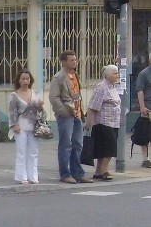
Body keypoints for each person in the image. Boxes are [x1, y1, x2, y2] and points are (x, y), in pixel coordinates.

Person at [49, 50, 93, 184]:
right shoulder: (59, 77)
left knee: (77, 144)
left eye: (75, 60)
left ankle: (77, 173)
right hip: (66, 115)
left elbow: (77, 94)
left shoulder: (75, 75)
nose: (74, 62)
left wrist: (81, 111)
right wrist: (63, 111)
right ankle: (65, 173)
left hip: (77, 113)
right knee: (66, 144)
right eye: (71, 60)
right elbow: (54, 97)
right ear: (63, 62)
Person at [84, 65, 121, 181]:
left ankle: (98, 171)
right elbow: (92, 106)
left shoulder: (113, 87)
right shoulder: (101, 87)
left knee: (104, 148)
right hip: (103, 122)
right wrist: (88, 122)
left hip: (114, 122)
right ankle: (105, 170)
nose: (117, 75)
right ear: (107, 75)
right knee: (108, 148)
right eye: (115, 73)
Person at [8, 69, 44, 184]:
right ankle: (21, 176)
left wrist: (39, 106)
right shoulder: (14, 95)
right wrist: (14, 125)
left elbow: (40, 112)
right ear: (18, 80)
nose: (25, 81)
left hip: (33, 126)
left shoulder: (35, 93)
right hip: (21, 126)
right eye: (23, 79)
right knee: (21, 151)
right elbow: (12, 112)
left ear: (30, 80)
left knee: (33, 152)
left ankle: (33, 176)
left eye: (27, 79)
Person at [133, 63, 151, 167]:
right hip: (148, 108)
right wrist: (142, 107)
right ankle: (146, 159)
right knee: (145, 134)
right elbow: (140, 91)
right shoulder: (144, 74)